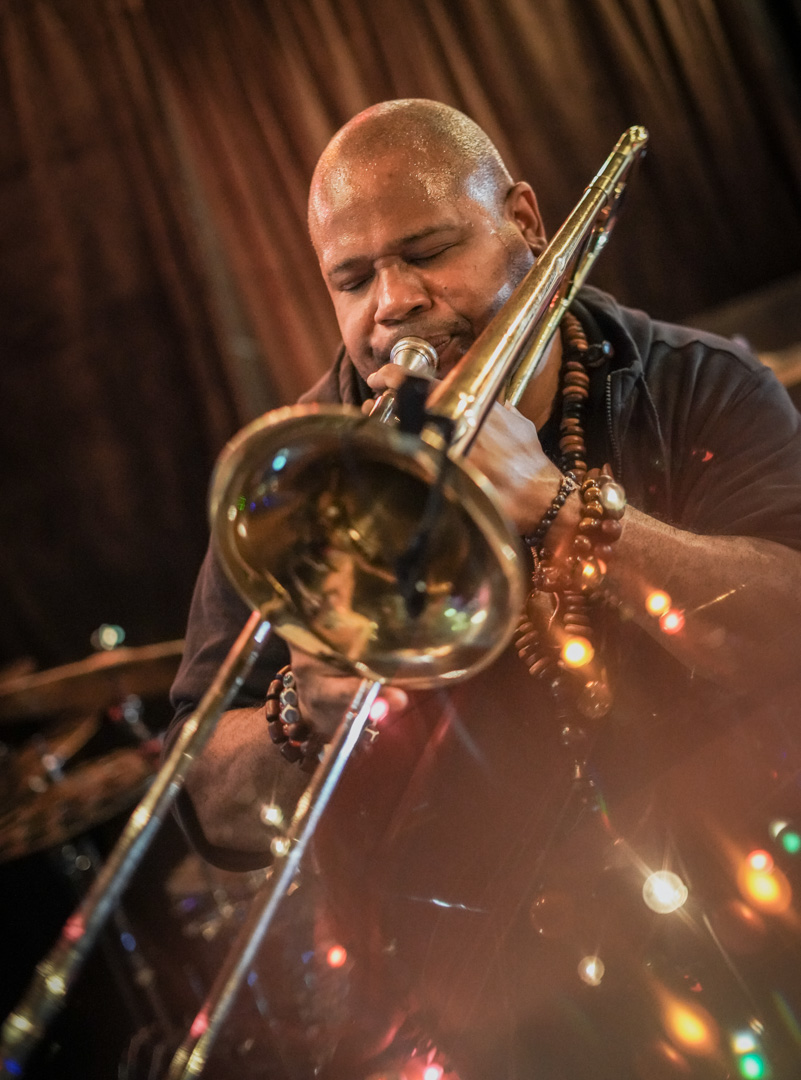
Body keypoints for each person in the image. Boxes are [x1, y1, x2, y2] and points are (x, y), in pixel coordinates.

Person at [169, 100, 801, 1079]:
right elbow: (202, 802)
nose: (392, 304)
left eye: (426, 250)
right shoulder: (299, 480)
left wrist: (565, 510)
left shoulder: (697, 384)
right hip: (479, 1027)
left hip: (746, 953)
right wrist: (305, 708)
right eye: (352, 278)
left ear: (526, 220)